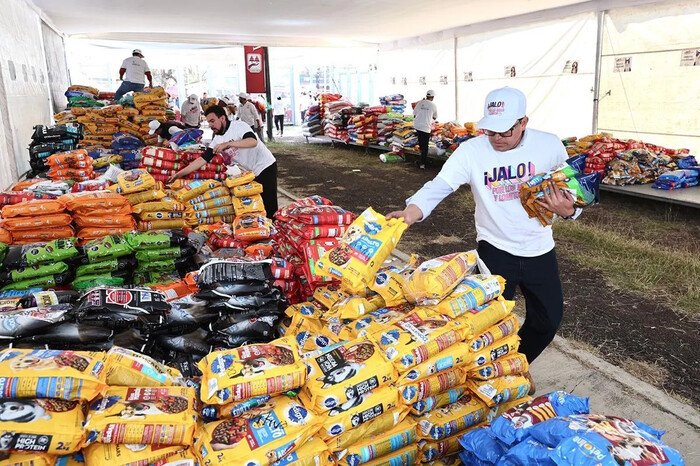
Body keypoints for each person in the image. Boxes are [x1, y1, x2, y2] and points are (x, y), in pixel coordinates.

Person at [387, 87, 580, 380]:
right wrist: (411, 212)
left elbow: (574, 196)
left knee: (547, 320)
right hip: (495, 250)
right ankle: (485, 377)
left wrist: (569, 211)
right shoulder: (471, 151)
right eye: (491, 132)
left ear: (523, 122)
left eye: (504, 132)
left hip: (539, 249)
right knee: (486, 326)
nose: (497, 139)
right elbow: (440, 185)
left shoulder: (549, 146)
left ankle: (514, 365)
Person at [167, 105, 278, 217]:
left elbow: (252, 141)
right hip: (252, 171)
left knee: (269, 204)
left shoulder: (239, 126)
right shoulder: (217, 139)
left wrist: (228, 144)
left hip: (266, 165)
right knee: (258, 204)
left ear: (223, 118)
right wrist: (179, 174)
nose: (210, 125)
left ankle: (275, 228)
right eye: (208, 122)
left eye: (212, 121)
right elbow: (202, 159)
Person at [413, 90, 438, 170]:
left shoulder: (420, 103)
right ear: (433, 97)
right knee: (425, 147)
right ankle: (422, 164)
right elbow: (434, 117)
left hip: (417, 126)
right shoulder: (433, 105)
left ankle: (421, 160)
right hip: (425, 127)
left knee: (421, 144)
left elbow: (414, 114)